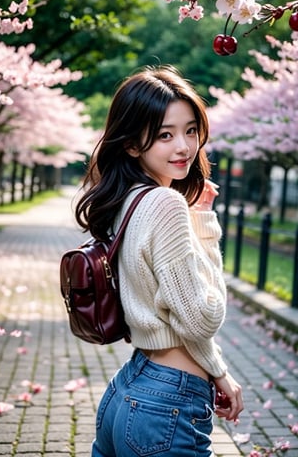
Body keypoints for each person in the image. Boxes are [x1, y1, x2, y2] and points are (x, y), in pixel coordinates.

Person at [75, 65, 244, 457]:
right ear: (132, 144)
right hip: (166, 405)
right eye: (165, 135)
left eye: (190, 130)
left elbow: (176, 318)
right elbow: (202, 317)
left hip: (130, 390)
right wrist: (204, 222)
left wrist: (218, 372)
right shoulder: (166, 203)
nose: (184, 147)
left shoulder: (128, 200)